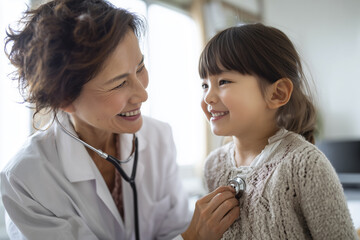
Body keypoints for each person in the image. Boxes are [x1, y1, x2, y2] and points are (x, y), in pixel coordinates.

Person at [1, 0, 240, 239]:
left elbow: (172, 229)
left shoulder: (158, 137)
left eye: (140, 68)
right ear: (64, 98)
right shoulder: (25, 180)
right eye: (119, 83)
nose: (143, 94)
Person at [198, 23, 358, 239]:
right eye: (205, 85)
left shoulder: (306, 165)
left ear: (277, 94)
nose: (208, 97)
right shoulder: (212, 167)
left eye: (223, 81)